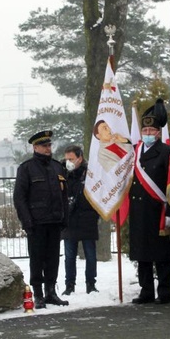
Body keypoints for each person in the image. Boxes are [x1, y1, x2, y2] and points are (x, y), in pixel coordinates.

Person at [14, 130, 70, 309]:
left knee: (53, 258)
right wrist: (26, 221)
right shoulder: (26, 168)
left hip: (54, 221)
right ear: (35, 147)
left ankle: (51, 292)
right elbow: (19, 198)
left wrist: (64, 217)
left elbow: (64, 196)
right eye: (44, 146)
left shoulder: (57, 167)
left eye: (49, 145)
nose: (48, 148)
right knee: (37, 259)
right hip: (36, 223)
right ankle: (37, 293)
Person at [130, 99, 170, 305]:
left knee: (161, 256)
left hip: (158, 210)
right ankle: (146, 290)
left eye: (152, 130)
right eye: (145, 129)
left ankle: (165, 292)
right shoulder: (135, 152)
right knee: (142, 255)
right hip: (139, 211)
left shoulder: (166, 152)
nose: (148, 133)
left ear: (159, 133)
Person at [61, 145, 100, 295]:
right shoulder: (63, 172)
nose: (68, 162)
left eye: (71, 159)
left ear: (80, 158)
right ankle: (69, 285)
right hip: (69, 219)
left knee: (90, 255)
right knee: (69, 256)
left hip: (87, 218)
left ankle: (91, 283)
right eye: (66, 159)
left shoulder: (90, 172)